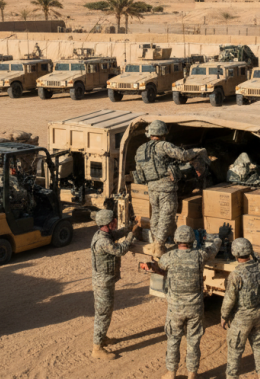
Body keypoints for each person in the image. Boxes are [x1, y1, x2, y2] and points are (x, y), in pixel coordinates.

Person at [156, 225, 224, 379]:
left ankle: (171, 373)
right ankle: (192, 374)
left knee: (173, 339)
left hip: (176, 308)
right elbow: (213, 251)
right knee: (193, 341)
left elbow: (160, 266)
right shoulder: (199, 255)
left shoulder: (169, 257)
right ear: (192, 240)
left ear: (176, 239)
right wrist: (220, 237)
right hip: (195, 307)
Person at [134, 120, 203, 256]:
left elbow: (138, 169)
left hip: (151, 186)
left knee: (156, 214)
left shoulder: (141, 148)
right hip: (166, 185)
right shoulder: (163, 145)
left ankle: (156, 241)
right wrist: (197, 151)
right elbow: (183, 155)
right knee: (167, 214)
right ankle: (159, 245)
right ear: (163, 133)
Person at [90, 210, 141, 361]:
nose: (115, 221)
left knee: (106, 311)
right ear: (108, 223)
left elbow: (117, 234)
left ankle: (102, 337)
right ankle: (97, 348)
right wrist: (131, 236)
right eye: (113, 220)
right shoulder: (103, 241)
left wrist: (128, 229)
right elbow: (120, 250)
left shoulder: (103, 234)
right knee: (103, 313)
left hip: (106, 281)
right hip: (103, 283)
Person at [220, 238, 260, 379]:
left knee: (235, 350)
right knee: (259, 346)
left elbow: (229, 299)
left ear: (235, 254)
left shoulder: (236, 275)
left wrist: (224, 316)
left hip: (242, 318)